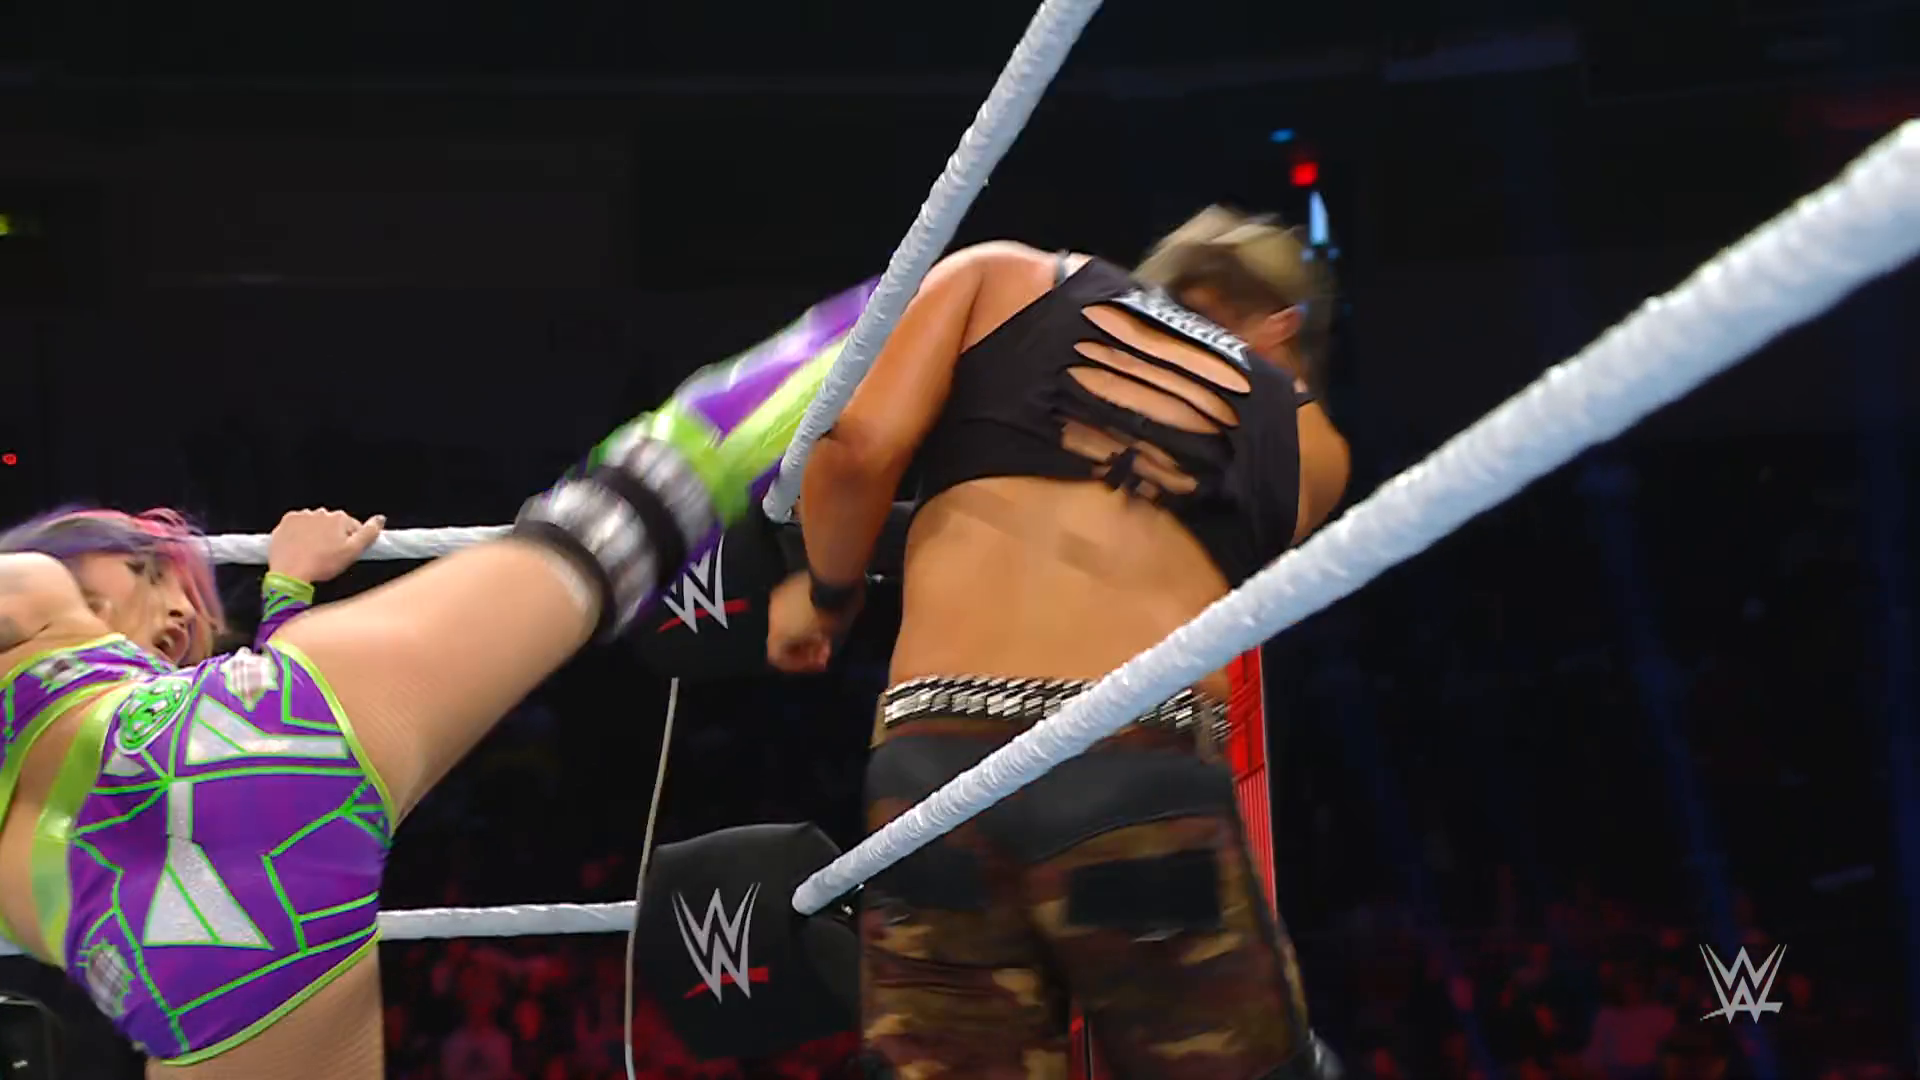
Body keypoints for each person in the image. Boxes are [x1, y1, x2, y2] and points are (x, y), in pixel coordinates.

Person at [0, 282, 867, 1079]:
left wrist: (282, 592)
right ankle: (911, 302)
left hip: (128, 926)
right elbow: (246, 757)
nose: (173, 595)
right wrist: (285, 594)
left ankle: (918, 300)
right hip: (246, 778)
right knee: (630, 506)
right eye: (141, 570)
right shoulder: (55, 600)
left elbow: (225, 752)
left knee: (619, 521)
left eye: (167, 577)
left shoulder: (43, 616)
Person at [768, 207, 1352, 1078]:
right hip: (1132, 774)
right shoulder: (1306, 436)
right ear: (1282, 326)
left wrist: (827, 595)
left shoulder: (1000, 274)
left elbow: (854, 451)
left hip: (937, 775)